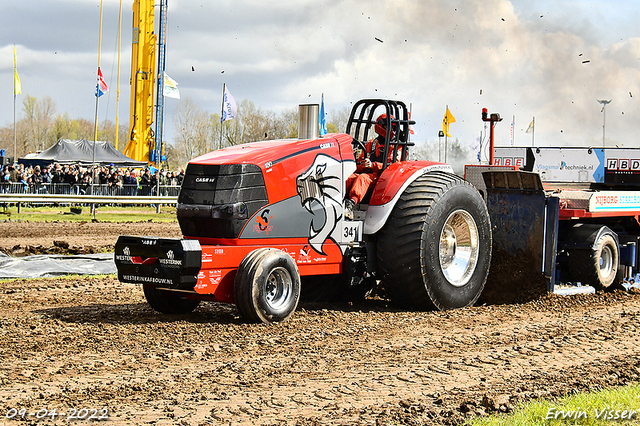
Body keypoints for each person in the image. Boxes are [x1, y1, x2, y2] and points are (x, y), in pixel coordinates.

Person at [344, 114, 400, 218]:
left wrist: (373, 165)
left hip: (384, 177)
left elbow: (393, 166)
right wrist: (363, 164)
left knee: (363, 178)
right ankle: (336, 201)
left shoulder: (396, 146)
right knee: (348, 178)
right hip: (370, 174)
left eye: (393, 128)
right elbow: (359, 163)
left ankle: (350, 204)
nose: (391, 130)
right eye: (389, 127)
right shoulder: (371, 144)